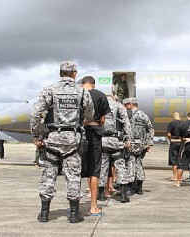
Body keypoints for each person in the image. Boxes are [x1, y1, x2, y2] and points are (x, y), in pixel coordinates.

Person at [30, 61, 94, 223]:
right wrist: (81, 123)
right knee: (73, 175)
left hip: (52, 139)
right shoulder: (82, 92)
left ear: (60, 74)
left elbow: (35, 115)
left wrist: (37, 136)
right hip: (73, 140)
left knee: (48, 175)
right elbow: (90, 114)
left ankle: (44, 213)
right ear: (74, 74)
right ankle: (73, 213)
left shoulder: (50, 90)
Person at [81, 76, 111, 215]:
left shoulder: (77, 93)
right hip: (94, 135)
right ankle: (93, 206)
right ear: (93, 84)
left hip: (78, 134)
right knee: (94, 171)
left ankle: (75, 206)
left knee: (75, 170)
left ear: (82, 84)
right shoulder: (100, 95)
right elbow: (103, 119)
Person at [98, 95, 132, 203]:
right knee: (120, 167)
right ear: (114, 98)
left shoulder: (100, 106)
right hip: (116, 141)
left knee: (103, 167)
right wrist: (128, 140)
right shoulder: (119, 106)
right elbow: (126, 123)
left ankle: (101, 194)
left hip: (103, 140)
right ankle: (123, 194)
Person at [124, 98, 154, 195]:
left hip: (130, 143)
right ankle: (139, 187)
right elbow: (150, 129)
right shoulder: (144, 115)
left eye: (126, 105)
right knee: (139, 163)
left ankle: (130, 187)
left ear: (130, 104)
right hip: (141, 144)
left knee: (130, 164)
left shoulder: (127, 114)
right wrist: (149, 143)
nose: (125, 107)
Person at [166, 112, 182, 182]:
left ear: (173, 116)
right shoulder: (183, 123)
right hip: (181, 143)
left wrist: (170, 140)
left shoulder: (172, 123)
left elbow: (169, 134)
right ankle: (180, 177)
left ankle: (174, 176)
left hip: (174, 142)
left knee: (174, 160)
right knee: (180, 160)